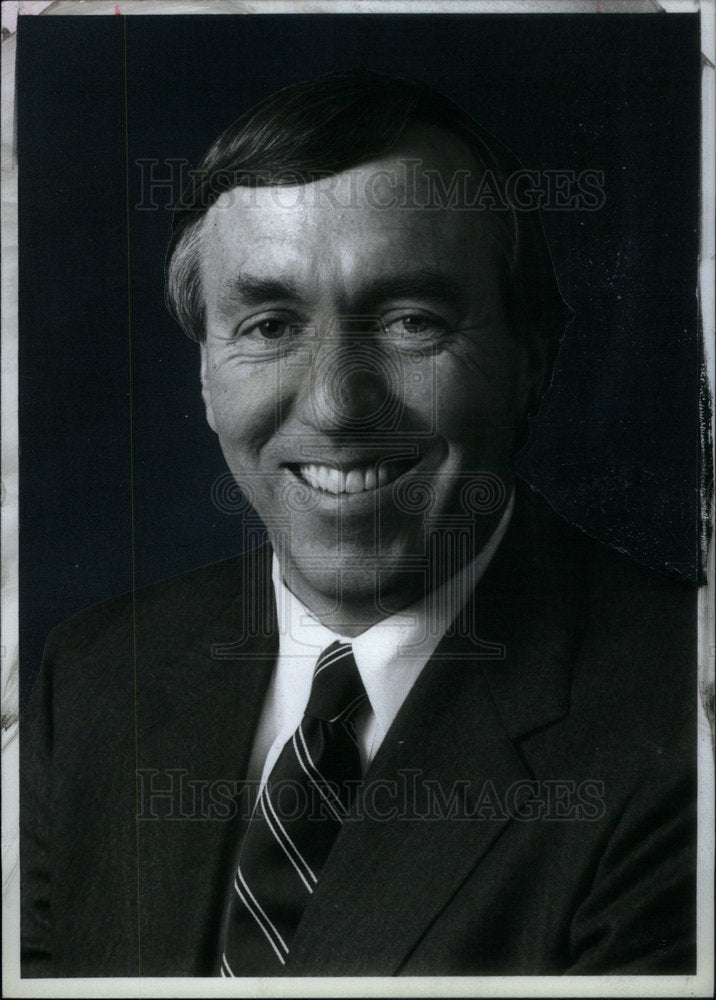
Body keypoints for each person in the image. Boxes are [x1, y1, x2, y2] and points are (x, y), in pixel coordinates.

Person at [21, 70, 696, 978]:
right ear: (205, 377)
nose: (339, 407)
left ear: (529, 361)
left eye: (412, 320)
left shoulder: (683, 716)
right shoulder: (91, 678)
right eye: (267, 324)